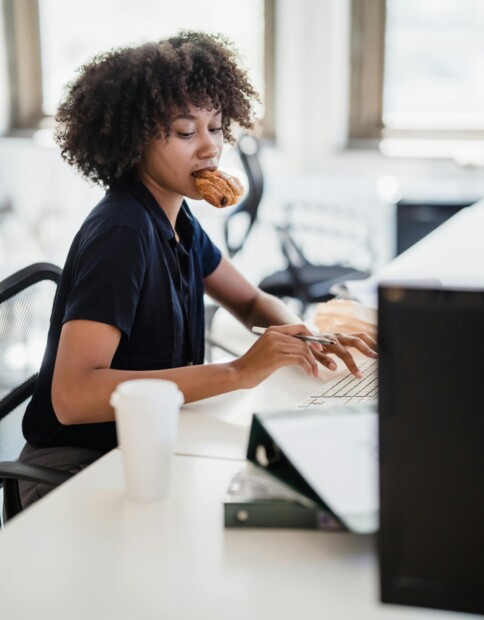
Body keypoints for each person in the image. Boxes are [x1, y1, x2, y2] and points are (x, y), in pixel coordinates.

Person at [19, 31, 377, 507]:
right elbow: (73, 395)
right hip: (76, 469)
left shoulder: (177, 218)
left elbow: (248, 300)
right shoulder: (122, 234)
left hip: (149, 440)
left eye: (217, 126)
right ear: (134, 139)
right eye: (187, 132)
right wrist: (238, 372)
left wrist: (307, 339)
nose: (209, 148)